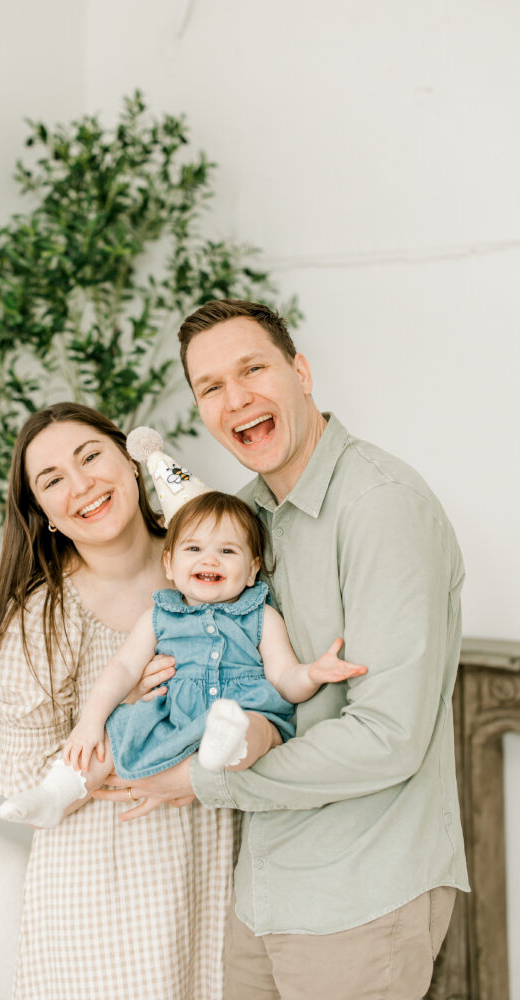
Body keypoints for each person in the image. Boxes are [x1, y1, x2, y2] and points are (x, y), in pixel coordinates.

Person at [98, 300, 470, 1000]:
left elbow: (388, 737)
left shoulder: (380, 506)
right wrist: (153, 690)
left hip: (360, 896)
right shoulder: (242, 521)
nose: (235, 398)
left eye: (252, 369)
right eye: (210, 387)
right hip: (262, 890)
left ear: (299, 372)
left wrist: (202, 782)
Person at [0, 402, 236, 1000]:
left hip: (218, 869)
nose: (82, 484)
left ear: (130, 459)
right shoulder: (46, 618)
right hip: (102, 896)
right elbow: (25, 786)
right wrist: (122, 725)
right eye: (53, 480)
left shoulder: (215, 566)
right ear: (46, 517)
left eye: (90, 456)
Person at [0, 490, 367, 829]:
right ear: (170, 565)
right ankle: (56, 794)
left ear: (253, 569)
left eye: (227, 551)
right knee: (113, 733)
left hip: (245, 708)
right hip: (173, 716)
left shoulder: (260, 617)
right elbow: (123, 668)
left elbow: (284, 679)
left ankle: (229, 746)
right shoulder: (159, 617)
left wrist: (312, 674)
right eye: (194, 549)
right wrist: (91, 721)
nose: (210, 558)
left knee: (257, 728)